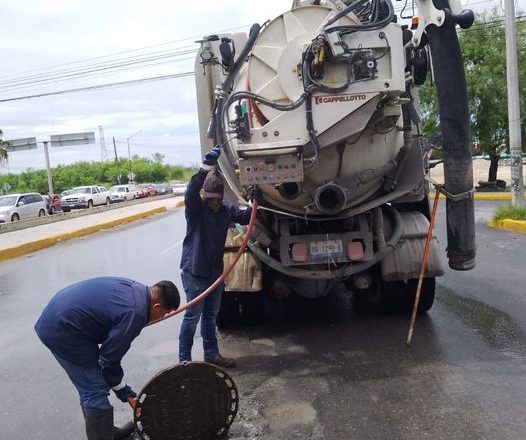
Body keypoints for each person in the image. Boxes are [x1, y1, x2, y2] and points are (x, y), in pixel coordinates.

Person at [35, 277, 180, 440]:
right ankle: (102, 436)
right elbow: (108, 358)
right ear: (157, 306)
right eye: (165, 313)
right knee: (94, 389)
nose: (163, 317)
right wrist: (124, 392)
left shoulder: (139, 290)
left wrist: (122, 390)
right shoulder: (136, 312)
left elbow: (108, 358)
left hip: (65, 318)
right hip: (62, 328)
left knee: (91, 384)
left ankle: (106, 431)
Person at [179, 146, 262, 368]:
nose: (214, 202)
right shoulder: (196, 210)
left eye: (217, 198)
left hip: (216, 272)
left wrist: (256, 200)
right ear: (205, 197)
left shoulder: (226, 210)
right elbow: (190, 190)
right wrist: (206, 167)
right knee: (192, 318)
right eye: (210, 199)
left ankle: (211, 354)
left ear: (221, 197)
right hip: (195, 272)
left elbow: (246, 218)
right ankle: (184, 361)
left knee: (210, 317)